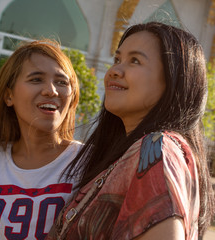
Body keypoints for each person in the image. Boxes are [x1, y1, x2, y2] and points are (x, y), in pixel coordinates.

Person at [46, 22, 215, 240]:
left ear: (173, 79)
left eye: (135, 61)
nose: (114, 71)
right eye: (117, 59)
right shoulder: (129, 153)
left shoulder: (156, 149)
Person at [0, 39, 82, 240]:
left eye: (62, 82)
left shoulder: (88, 163)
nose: (51, 90)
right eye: (36, 79)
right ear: (8, 96)